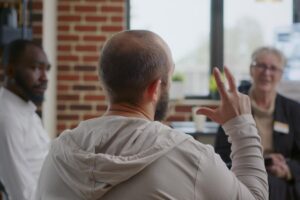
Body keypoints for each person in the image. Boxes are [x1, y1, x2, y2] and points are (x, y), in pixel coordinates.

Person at [35, 30, 268, 200]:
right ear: (155, 88)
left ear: (104, 81)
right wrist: (242, 126)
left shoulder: (57, 155)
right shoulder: (191, 158)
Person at [215, 46, 300, 200]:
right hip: (243, 178)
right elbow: (221, 156)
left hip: (283, 182)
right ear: (251, 70)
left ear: (281, 74)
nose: (266, 73)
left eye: (273, 68)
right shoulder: (233, 106)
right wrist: (262, 161)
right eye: (260, 65)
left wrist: (286, 169)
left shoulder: (294, 110)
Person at [0, 39, 51, 200]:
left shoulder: (27, 111)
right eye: (35, 68)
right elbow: (22, 194)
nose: (44, 77)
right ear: (9, 70)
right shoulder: (7, 118)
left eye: (46, 69)